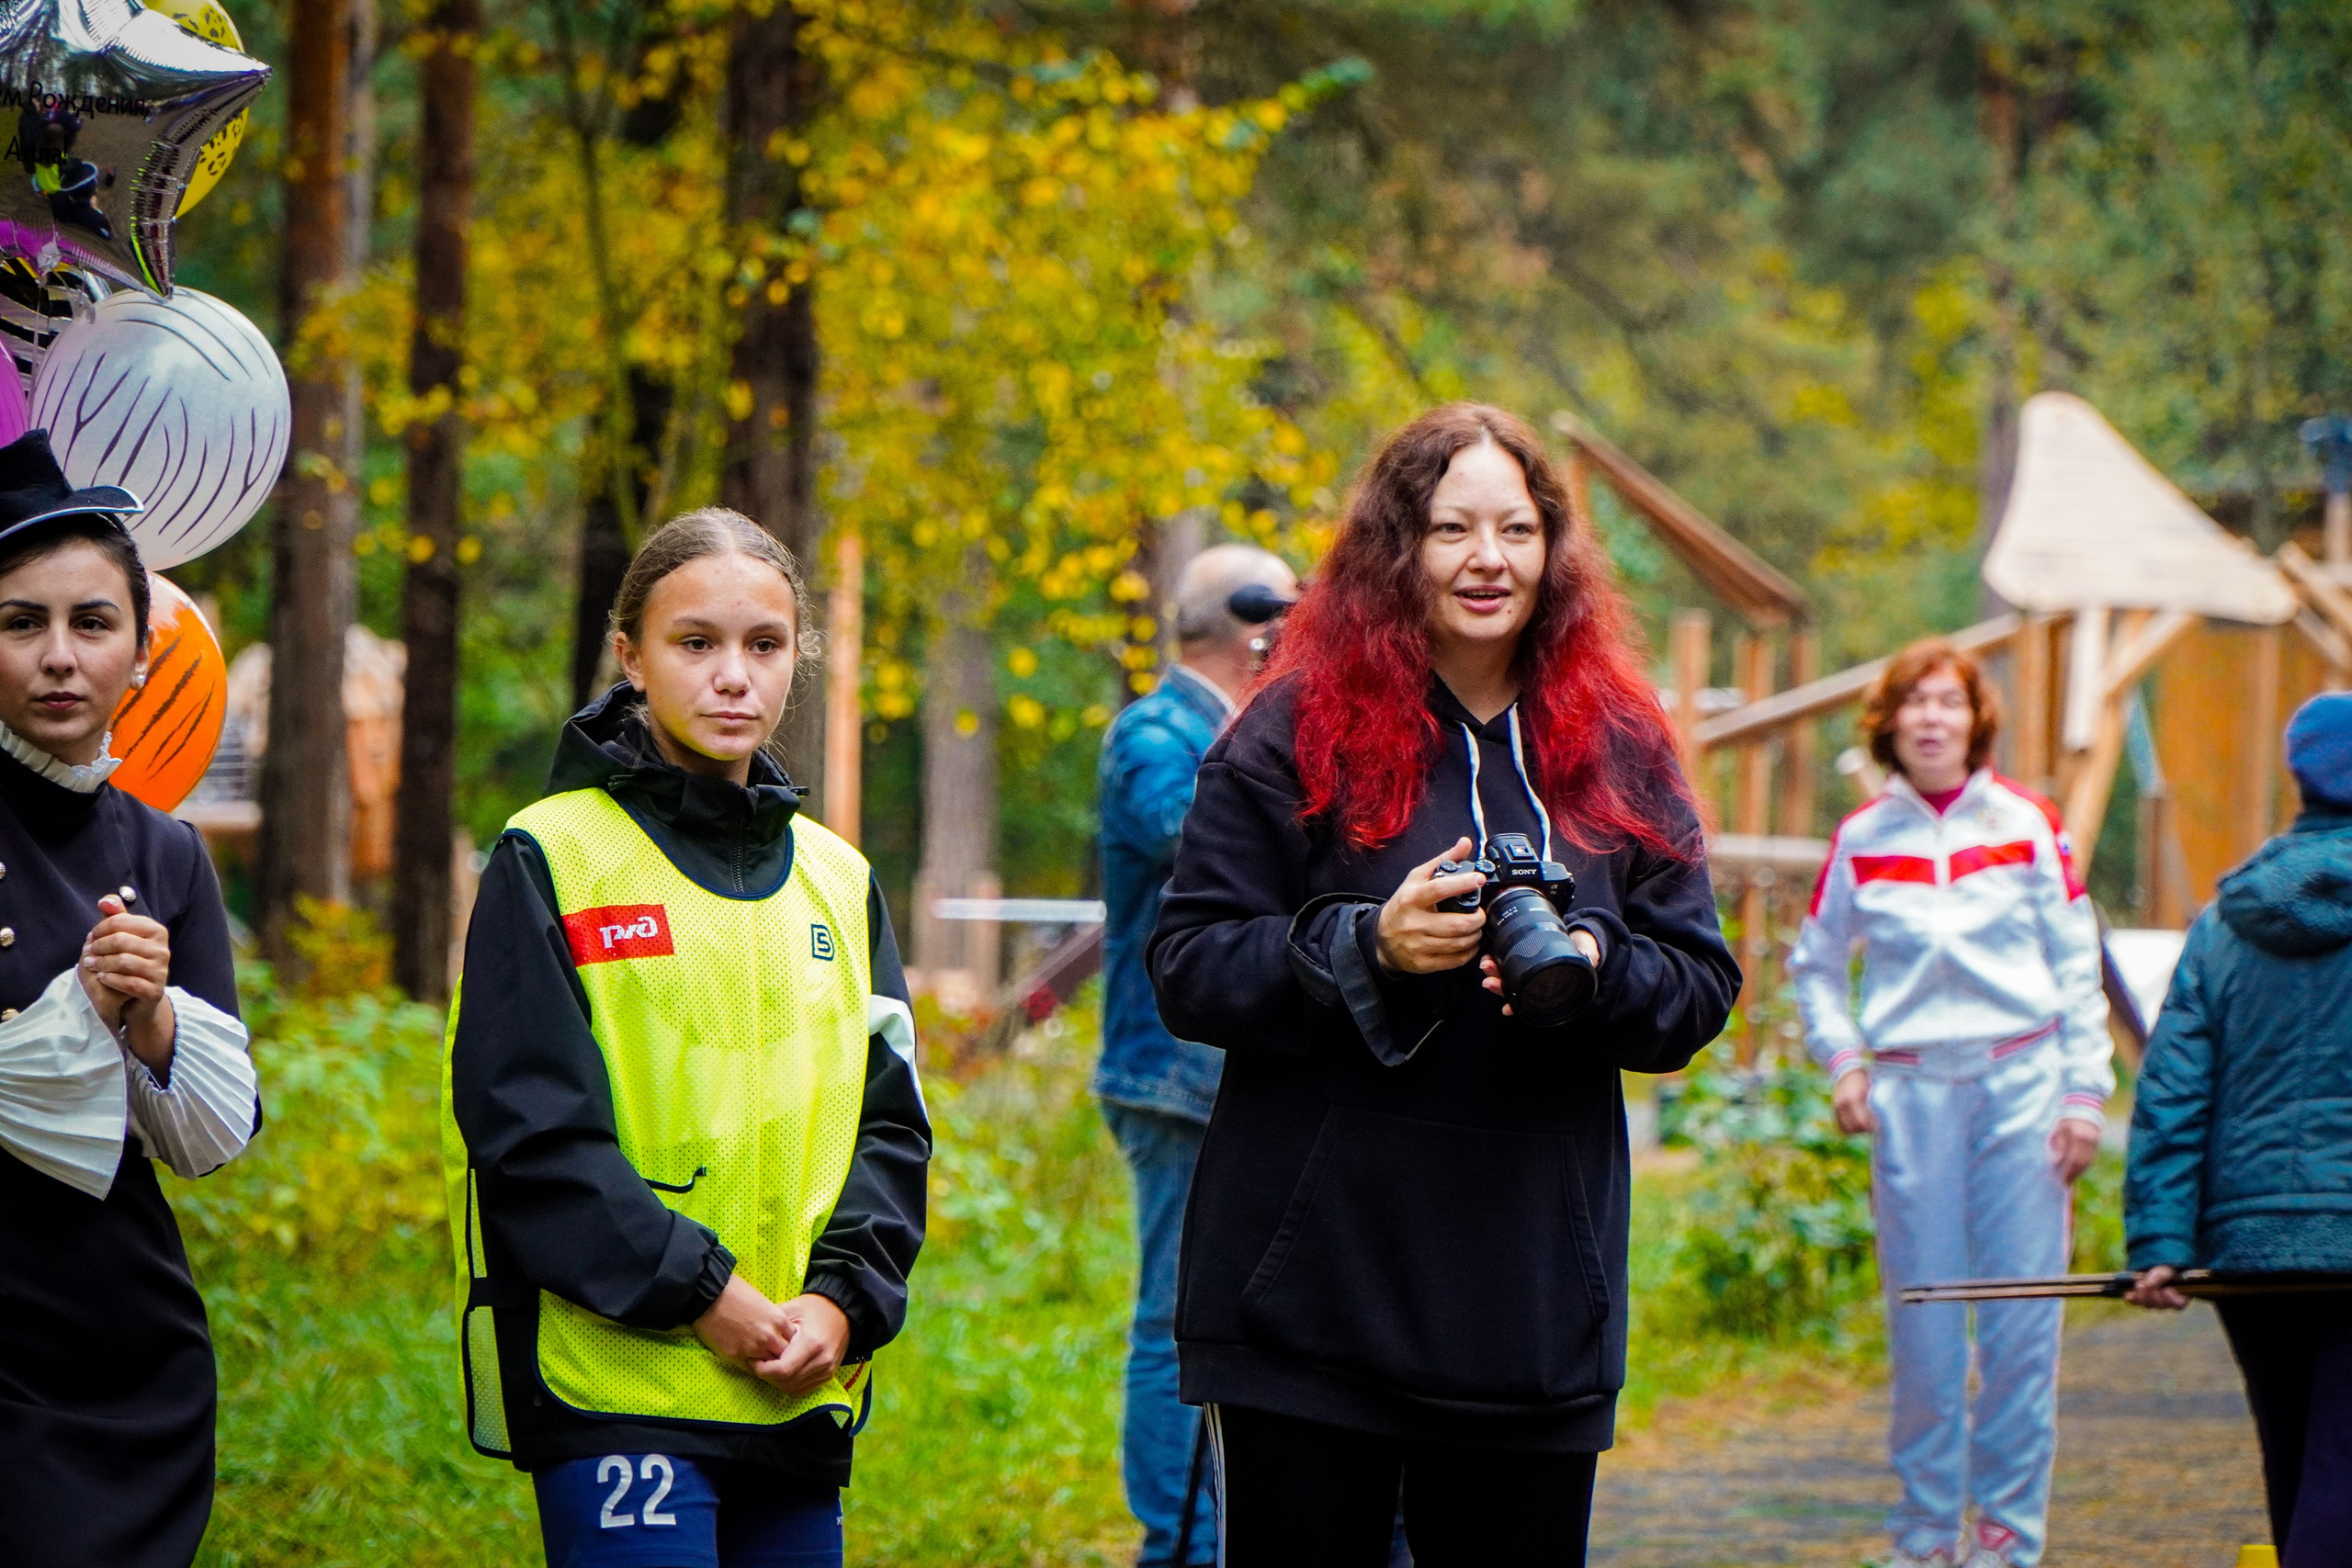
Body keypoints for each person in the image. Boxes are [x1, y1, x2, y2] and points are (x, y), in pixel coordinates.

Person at [1148, 403, 1738, 1566]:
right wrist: (1366, 946)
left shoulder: (1618, 741)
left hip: (1531, 1307)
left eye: (1516, 529)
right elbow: (1190, 966)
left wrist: (1596, 966)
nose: (1487, 559)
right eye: (1451, 528)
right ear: (1394, 548)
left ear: (1552, 550)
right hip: (1312, 1301)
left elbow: (1698, 983)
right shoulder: (1292, 729)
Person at [443, 508, 930, 1568]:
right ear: (631, 656)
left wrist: (843, 1303)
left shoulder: (838, 879)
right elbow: (530, 1137)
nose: (733, 677)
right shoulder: (552, 856)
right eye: (695, 643)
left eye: (764, 645)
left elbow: (891, 1129)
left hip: (793, 1383)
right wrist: (705, 1295)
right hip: (620, 1387)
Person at [1788, 637, 2111, 1568]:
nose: (1932, 717)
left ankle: (2006, 1534)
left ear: (1976, 721)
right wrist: (1845, 1062)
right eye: (1915, 701)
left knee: (2021, 1323)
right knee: (1924, 1322)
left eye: (1950, 701)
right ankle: (1927, 1534)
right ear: (1889, 723)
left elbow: (2075, 962)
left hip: (2022, 1085)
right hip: (1912, 1095)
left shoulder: (2027, 821)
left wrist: (2083, 1093)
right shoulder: (1862, 838)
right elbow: (1814, 967)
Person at [0, 428, 260, 1566]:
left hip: (125, 1355)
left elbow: (215, 1139)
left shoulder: (169, 853)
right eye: (22, 623)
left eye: (92, 622)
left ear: (143, 656)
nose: (59, 657)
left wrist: (152, 1017)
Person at [1096, 542, 1299, 1568]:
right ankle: (1175, 1543)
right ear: (1255, 627)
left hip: (1227, 1072)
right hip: (1171, 1073)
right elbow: (1202, 843)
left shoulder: (1221, 730)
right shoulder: (1156, 735)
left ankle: (1227, 1529)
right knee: (1172, 1318)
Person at [2122, 693, 2352, 1566]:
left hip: (2250, 1242)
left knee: (2294, 1460)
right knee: (2342, 1470)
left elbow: (2173, 1089)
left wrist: (2160, 1239)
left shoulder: (2224, 924)